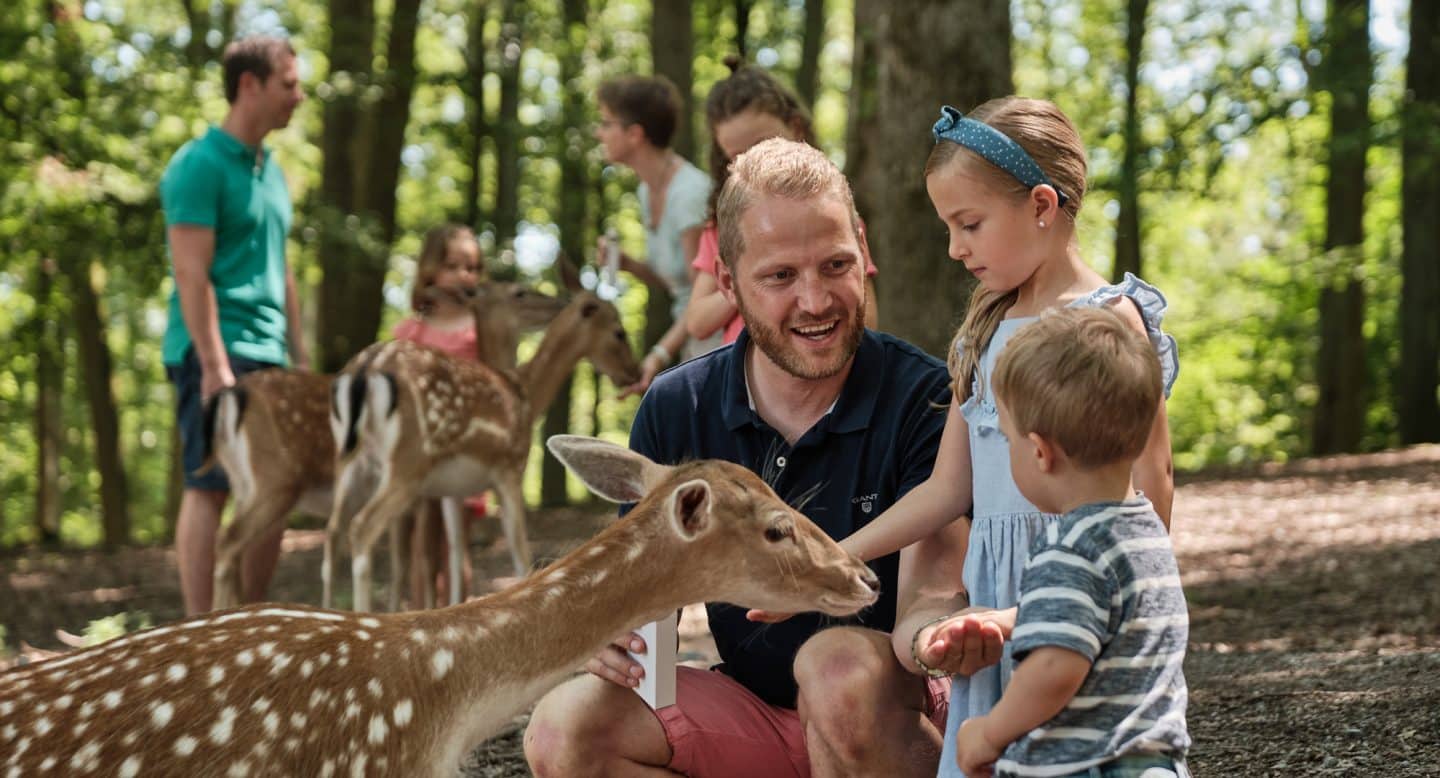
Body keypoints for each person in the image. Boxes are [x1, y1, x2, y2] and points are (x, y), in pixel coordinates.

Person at [524, 138, 963, 777]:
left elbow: (935, 591)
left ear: (863, 248)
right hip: (750, 712)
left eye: (835, 265)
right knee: (563, 729)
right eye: (780, 276)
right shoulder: (680, 406)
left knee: (834, 668)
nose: (815, 301)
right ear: (728, 281)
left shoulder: (924, 398)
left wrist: (938, 635)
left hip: (890, 717)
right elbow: (648, 610)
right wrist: (612, 633)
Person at [828, 98, 1178, 777]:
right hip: (989, 603)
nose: (956, 248)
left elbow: (1152, 486)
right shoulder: (982, 332)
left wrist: (1128, 601)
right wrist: (834, 556)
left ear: (1042, 206)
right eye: (949, 227)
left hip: (1084, 587)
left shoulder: (1110, 321)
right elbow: (947, 489)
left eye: (970, 224)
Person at [954, 306, 1190, 777]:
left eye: (1007, 439)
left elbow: (1055, 668)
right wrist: (1014, 620)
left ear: (1040, 452)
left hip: (1084, 766)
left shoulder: (1069, 548)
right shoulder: (1143, 531)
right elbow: (1106, 622)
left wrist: (989, 732)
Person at [161, 35, 306, 616]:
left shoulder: (271, 171)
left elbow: (282, 270)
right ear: (250, 85)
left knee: (272, 493)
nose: (298, 96)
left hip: (270, 357)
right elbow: (191, 274)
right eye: (289, 84)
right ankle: (200, 635)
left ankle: (244, 627)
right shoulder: (197, 165)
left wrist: (298, 356)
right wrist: (215, 364)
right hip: (217, 352)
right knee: (210, 485)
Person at [683, 57, 878, 345]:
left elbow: (868, 318)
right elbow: (697, 322)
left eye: (763, 143)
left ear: (796, 129)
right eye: (736, 156)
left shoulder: (833, 217)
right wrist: (755, 280)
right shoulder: (722, 228)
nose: (754, 159)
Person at [593, 75, 711, 394]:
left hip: (714, 343)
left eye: (606, 123)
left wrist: (658, 356)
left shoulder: (690, 195)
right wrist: (631, 265)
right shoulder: (647, 190)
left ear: (635, 134)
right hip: (690, 341)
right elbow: (678, 284)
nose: (598, 132)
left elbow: (704, 292)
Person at [391, 224, 489, 606]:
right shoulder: (411, 332)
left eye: (473, 267)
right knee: (420, 542)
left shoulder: (478, 332)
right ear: (430, 270)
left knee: (454, 542)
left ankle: (455, 625)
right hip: (420, 452)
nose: (465, 275)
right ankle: (419, 624)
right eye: (453, 266)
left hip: (464, 450)